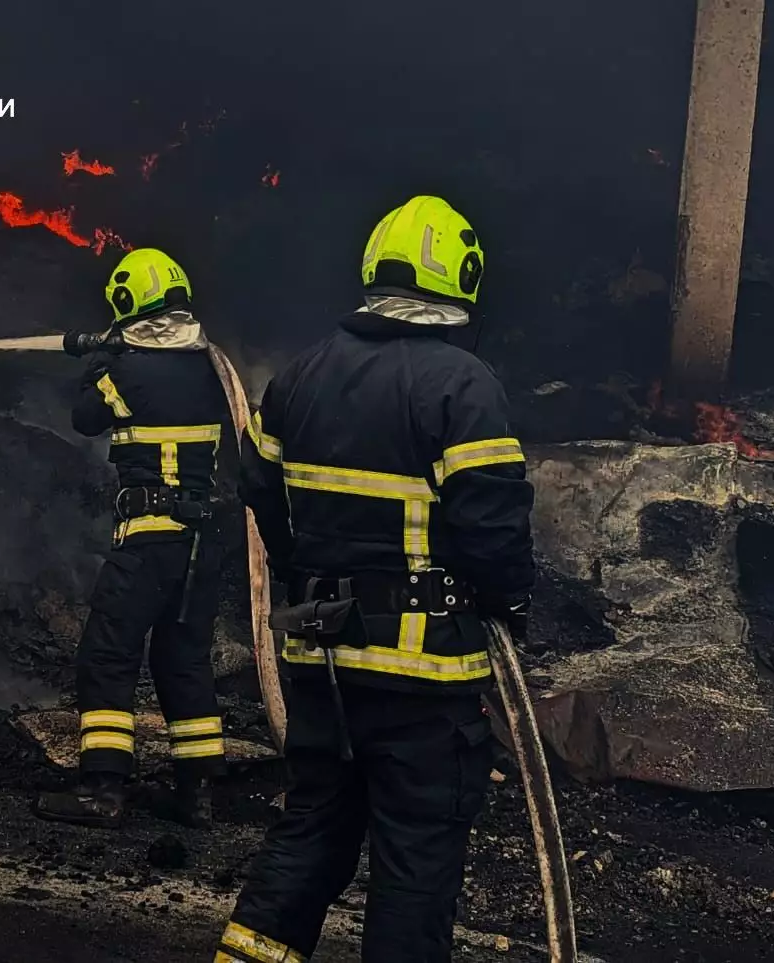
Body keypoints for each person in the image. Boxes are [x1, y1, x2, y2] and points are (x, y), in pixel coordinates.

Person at [215, 196, 535, 962]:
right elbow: (493, 531)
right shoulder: (463, 386)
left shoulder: (300, 375)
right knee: (414, 871)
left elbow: (257, 486)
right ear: (461, 278)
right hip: (422, 681)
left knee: (310, 834)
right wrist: (509, 605)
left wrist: (304, 574)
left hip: (321, 666)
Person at [34, 247, 230, 830]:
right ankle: (197, 795)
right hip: (202, 544)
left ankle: (102, 788)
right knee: (183, 659)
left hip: (149, 540)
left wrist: (101, 357)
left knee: (108, 655)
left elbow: (85, 417)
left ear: (126, 303)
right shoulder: (214, 371)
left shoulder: (128, 371)